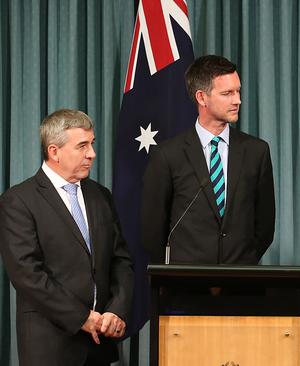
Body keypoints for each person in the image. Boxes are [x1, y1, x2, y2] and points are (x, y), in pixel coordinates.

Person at [0, 109, 134, 366]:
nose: (92, 154)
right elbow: (27, 274)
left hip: (99, 344)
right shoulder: (19, 201)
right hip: (49, 344)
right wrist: (82, 317)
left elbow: (121, 261)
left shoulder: (101, 196)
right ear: (54, 151)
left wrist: (116, 311)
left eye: (92, 144)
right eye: (82, 146)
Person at [142, 55, 275, 264]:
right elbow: (152, 230)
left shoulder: (257, 151)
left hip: (241, 283)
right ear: (202, 98)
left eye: (238, 91)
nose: (237, 100)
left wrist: (238, 266)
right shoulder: (168, 155)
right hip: (186, 287)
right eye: (227, 93)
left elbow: (265, 226)